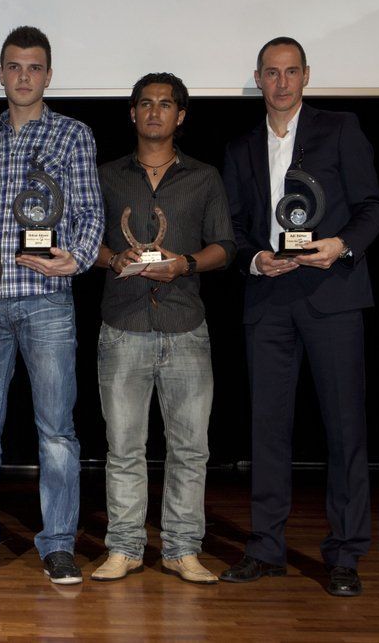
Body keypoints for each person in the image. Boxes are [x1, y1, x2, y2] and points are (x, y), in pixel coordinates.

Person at [220, 37, 379, 597]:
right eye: (272, 73)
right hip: (268, 300)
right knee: (267, 431)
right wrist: (254, 259)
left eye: (291, 72)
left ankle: (345, 553)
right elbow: (234, 228)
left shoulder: (340, 129)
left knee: (344, 429)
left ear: (306, 76)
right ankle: (266, 548)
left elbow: (372, 207)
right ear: (259, 79)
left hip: (332, 295)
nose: (282, 82)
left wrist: (341, 244)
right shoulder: (241, 147)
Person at [0, 26, 104, 585]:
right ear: (0, 73)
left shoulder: (73, 135)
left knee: (56, 431)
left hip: (47, 302)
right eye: (14, 66)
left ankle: (58, 543)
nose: (23, 76)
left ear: (48, 75)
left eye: (34, 67)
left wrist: (76, 259)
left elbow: (90, 212)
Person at [91, 73, 234, 584]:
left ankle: (181, 549)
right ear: (133, 113)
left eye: (166, 104)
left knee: (190, 448)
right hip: (123, 325)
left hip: (185, 325)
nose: (155, 112)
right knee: (124, 448)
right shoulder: (106, 175)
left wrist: (185, 264)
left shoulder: (205, 177)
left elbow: (225, 246)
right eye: (146, 103)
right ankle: (124, 548)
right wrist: (113, 258)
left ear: (181, 115)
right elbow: (86, 242)